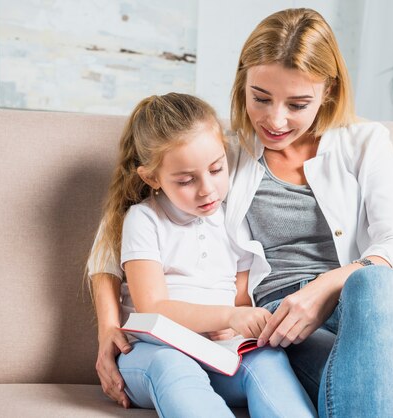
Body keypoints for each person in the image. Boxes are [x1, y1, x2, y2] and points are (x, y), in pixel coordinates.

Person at [88, 8, 393, 417]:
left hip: (385, 326)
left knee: (373, 282)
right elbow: (121, 224)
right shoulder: (223, 154)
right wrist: (109, 325)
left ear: (328, 92)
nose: (275, 120)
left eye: (298, 104)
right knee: (383, 399)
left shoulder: (365, 143)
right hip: (287, 331)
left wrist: (324, 289)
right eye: (260, 98)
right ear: (242, 83)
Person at [89, 92, 317, 417]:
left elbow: (241, 297)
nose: (207, 189)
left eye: (216, 169)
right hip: (152, 352)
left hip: (219, 353)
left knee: (268, 360)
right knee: (172, 364)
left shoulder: (233, 217)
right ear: (152, 178)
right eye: (186, 180)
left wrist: (238, 324)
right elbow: (151, 307)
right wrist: (225, 316)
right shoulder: (144, 219)